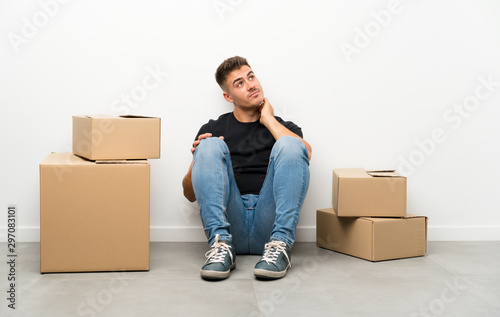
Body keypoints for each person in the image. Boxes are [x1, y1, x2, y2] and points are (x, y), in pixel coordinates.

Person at [182, 56, 311, 280]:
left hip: (269, 223)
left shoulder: (283, 127)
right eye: (239, 83)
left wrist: (269, 120)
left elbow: (304, 153)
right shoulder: (213, 128)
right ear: (227, 96)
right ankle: (220, 246)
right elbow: (189, 194)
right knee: (210, 144)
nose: (250, 84)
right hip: (231, 224)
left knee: (291, 144)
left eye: (251, 76)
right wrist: (200, 157)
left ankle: (281, 246)